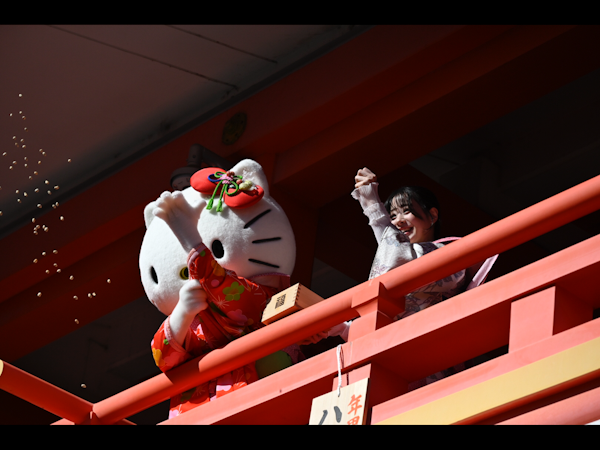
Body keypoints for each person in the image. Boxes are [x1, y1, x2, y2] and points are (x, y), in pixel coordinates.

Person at [304, 167, 497, 389]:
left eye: (406, 211)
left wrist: (372, 204)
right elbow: (377, 320)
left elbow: (398, 257)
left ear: (432, 215)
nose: (398, 222)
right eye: (393, 216)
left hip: (430, 363)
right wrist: (334, 327)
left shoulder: (449, 255)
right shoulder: (403, 256)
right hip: (393, 363)